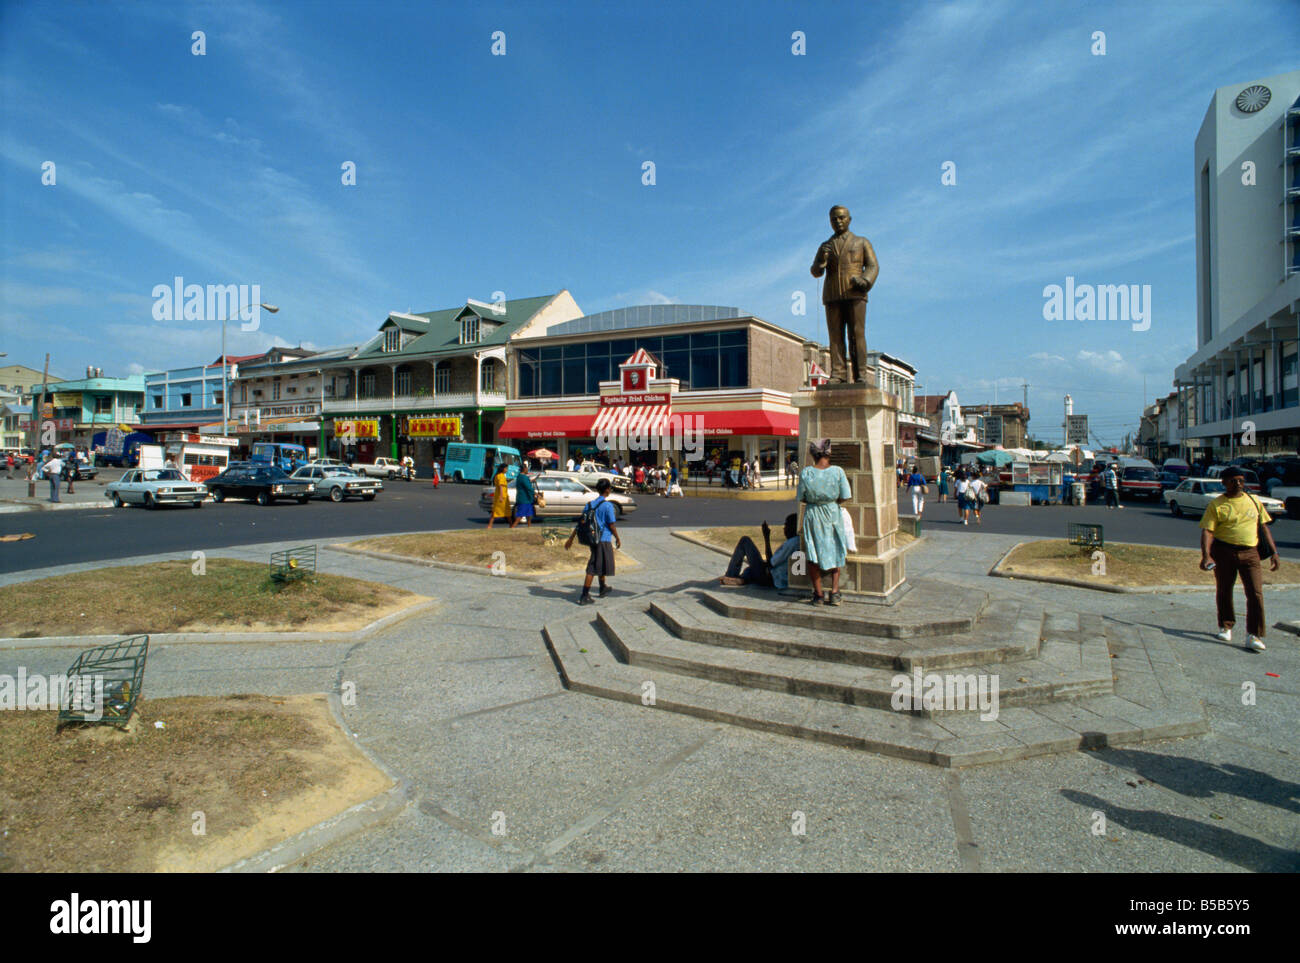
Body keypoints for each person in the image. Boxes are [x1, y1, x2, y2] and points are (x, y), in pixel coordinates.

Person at [1200, 466, 1277, 652]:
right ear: (1224, 483)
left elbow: (1264, 527)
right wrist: (1206, 555)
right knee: (1224, 590)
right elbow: (1208, 531)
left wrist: (1274, 552)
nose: (1238, 484)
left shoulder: (1254, 501)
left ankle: (1254, 635)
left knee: (1255, 593)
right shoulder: (1216, 505)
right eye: (1233, 481)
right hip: (1224, 552)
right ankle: (1226, 626)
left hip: (1250, 553)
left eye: (1241, 480)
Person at [809, 204, 879, 383]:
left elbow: (873, 265)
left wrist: (865, 280)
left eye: (841, 218)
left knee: (857, 334)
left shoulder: (862, 242)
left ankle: (860, 374)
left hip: (855, 293)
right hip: (832, 295)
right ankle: (838, 374)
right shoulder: (825, 246)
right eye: (834, 219)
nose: (838, 221)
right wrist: (821, 262)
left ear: (849, 219)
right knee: (835, 336)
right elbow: (816, 271)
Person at [796, 438, 851, 605]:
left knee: (813, 552)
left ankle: (818, 594)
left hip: (813, 514)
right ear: (829, 453)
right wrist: (831, 503)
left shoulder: (806, 473)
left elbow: (801, 497)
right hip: (832, 512)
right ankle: (834, 592)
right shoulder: (838, 472)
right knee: (836, 548)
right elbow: (845, 495)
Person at [565, 478, 620, 604]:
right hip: (603, 539)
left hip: (591, 539)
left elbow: (581, 523)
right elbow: (611, 525)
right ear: (607, 490)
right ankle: (584, 595)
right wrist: (617, 538)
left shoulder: (589, 505)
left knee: (600, 562)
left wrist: (571, 538)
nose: (610, 490)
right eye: (610, 488)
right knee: (593, 566)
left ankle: (602, 587)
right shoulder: (607, 506)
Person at [719, 514, 800, 588]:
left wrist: (766, 538)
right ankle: (742, 580)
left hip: (772, 578)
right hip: (778, 575)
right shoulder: (798, 541)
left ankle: (731, 575)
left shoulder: (791, 543)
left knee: (745, 541)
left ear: (793, 527)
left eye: (786, 525)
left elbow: (771, 562)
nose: (784, 528)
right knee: (749, 569)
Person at [486, 464, 510, 529]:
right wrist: (501, 496)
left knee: (507, 511)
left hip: (502, 496)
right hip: (501, 496)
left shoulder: (500, 475)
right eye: (506, 468)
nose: (507, 470)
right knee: (496, 511)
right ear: (503, 469)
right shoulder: (500, 476)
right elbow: (501, 486)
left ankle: (511, 525)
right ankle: (489, 525)